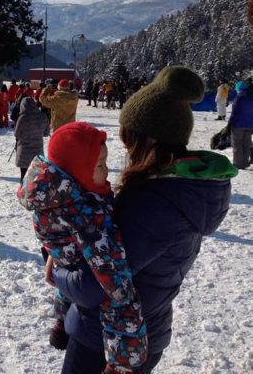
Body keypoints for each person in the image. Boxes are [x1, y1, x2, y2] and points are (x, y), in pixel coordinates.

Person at [52, 66, 237, 373]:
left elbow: (94, 286)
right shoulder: (185, 190)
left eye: (129, 137)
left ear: (149, 139)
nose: (125, 146)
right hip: (148, 330)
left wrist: (57, 268)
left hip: (109, 342)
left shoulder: (154, 204)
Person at [18, 122, 147, 374]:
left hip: (69, 268)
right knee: (117, 292)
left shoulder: (57, 191)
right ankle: (120, 363)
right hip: (85, 281)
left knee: (68, 267)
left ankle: (60, 321)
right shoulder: (84, 213)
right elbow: (115, 285)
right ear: (77, 171)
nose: (107, 171)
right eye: (99, 166)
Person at [14, 97, 49, 181]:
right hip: (38, 151)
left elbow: (17, 134)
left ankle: (24, 192)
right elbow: (46, 133)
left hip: (24, 152)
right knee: (36, 177)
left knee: (24, 176)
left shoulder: (23, 117)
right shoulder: (43, 116)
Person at [228, 80, 253, 169]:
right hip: (250, 125)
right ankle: (245, 162)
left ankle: (238, 164)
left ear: (239, 88)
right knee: (247, 144)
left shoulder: (240, 96)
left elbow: (235, 112)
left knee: (237, 144)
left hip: (238, 125)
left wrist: (230, 123)